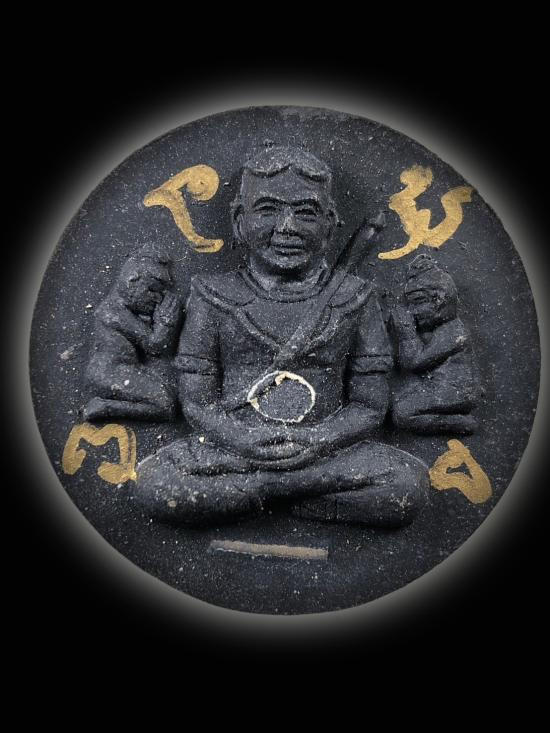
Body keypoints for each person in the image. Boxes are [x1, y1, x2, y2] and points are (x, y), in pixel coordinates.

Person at [133, 146, 429, 526]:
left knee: (407, 484)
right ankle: (286, 491)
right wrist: (241, 439)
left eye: (305, 213)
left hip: (325, 451)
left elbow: (370, 406)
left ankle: (259, 493)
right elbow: (197, 402)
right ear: (239, 221)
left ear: (330, 224)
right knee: (157, 483)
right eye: (268, 210)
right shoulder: (211, 296)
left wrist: (320, 439)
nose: (287, 227)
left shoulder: (356, 298)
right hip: (236, 449)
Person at [83, 249, 182, 421]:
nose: (157, 298)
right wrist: (166, 322)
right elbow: (156, 345)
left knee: (166, 398)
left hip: (122, 369)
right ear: (132, 281)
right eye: (152, 290)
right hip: (108, 373)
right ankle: (105, 407)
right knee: (166, 404)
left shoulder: (124, 311)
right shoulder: (112, 312)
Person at [391, 254, 480, 434]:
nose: (412, 312)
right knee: (402, 403)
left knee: (402, 412)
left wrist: (406, 331)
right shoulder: (441, 329)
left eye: (418, 303)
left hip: (457, 391)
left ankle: (461, 424)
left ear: (439, 300)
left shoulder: (453, 331)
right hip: (442, 386)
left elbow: (413, 362)